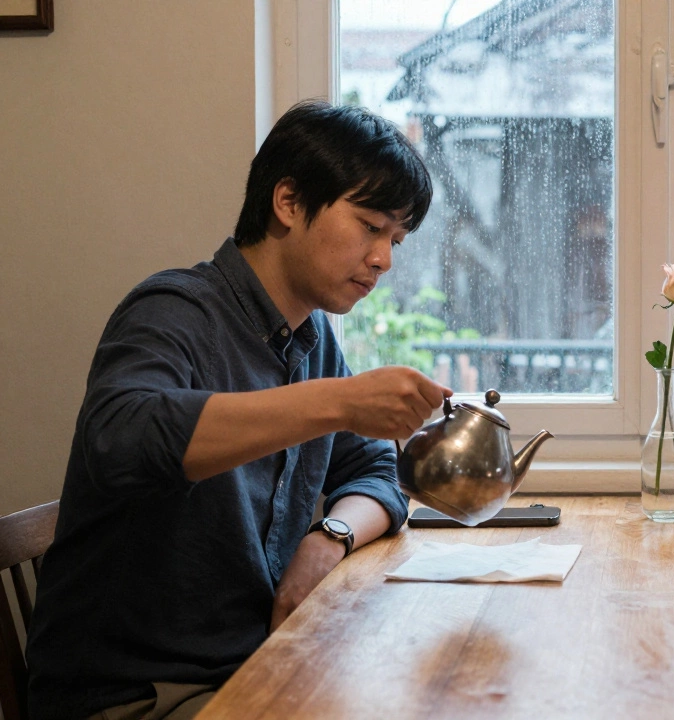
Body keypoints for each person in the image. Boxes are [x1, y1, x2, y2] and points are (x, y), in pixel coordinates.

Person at [25, 100, 452, 720]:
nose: (384, 258)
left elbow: (376, 473)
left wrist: (329, 537)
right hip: (138, 694)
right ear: (287, 202)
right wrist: (336, 402)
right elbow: (121, 437)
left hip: (252, 666)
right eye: (369, 226)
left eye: (396, 238)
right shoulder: (173, 310)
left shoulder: (313, 339)